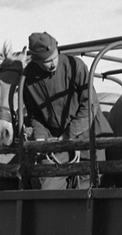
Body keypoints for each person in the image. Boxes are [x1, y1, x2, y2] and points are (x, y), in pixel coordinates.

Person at [23, 31, 113, 189]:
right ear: (36, 60)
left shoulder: (75, 66)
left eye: (55, 57)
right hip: (56, 145)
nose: (53, 63)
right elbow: (35, 115)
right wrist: (41, 139)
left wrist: (68, 136)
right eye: (47, 61)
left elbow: (90, 106)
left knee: (90, 189)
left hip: (89, 138)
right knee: (49, 188)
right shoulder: (28, 78)